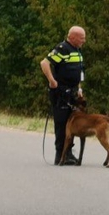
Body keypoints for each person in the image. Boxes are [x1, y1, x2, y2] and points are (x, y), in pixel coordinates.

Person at [40, 26, 86, 165]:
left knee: (71, 124)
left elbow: (78, 72)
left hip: (72, 92)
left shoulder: (77, 50)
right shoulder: (62, 48)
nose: (84, 40)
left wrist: (79, 88)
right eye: (82, 38)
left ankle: (68, 153)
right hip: (61, 93)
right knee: (61, 124)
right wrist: (52, 81)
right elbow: (44, 63)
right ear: (72, 37)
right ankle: (60, 154)